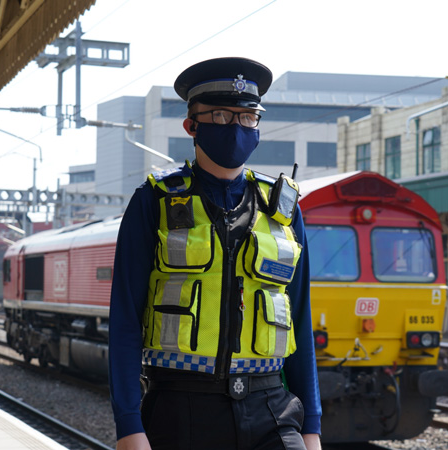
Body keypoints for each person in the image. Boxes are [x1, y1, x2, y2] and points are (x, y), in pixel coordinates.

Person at [108, 56, 322, 450]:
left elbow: (300, 320)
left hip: (272, 408)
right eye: (222, 116)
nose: (237, 127)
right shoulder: (153, 203)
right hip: (181, 408)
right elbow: (124, 321)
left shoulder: (284, 211)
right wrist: (128, 426)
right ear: (192, 125)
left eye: (248, 117)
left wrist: (312, 426)